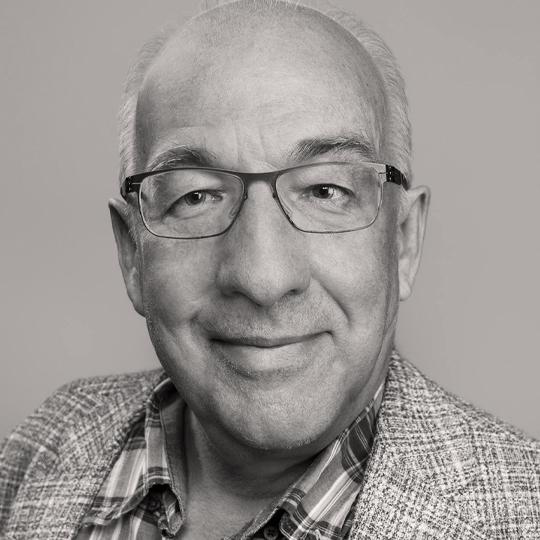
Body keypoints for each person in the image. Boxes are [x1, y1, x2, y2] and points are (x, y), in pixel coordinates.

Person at [1, 0, 538, 538]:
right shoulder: (44, 446)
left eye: (325, 190)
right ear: (132, 253)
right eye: (196, 196)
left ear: (403, 241)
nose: (263, 278)